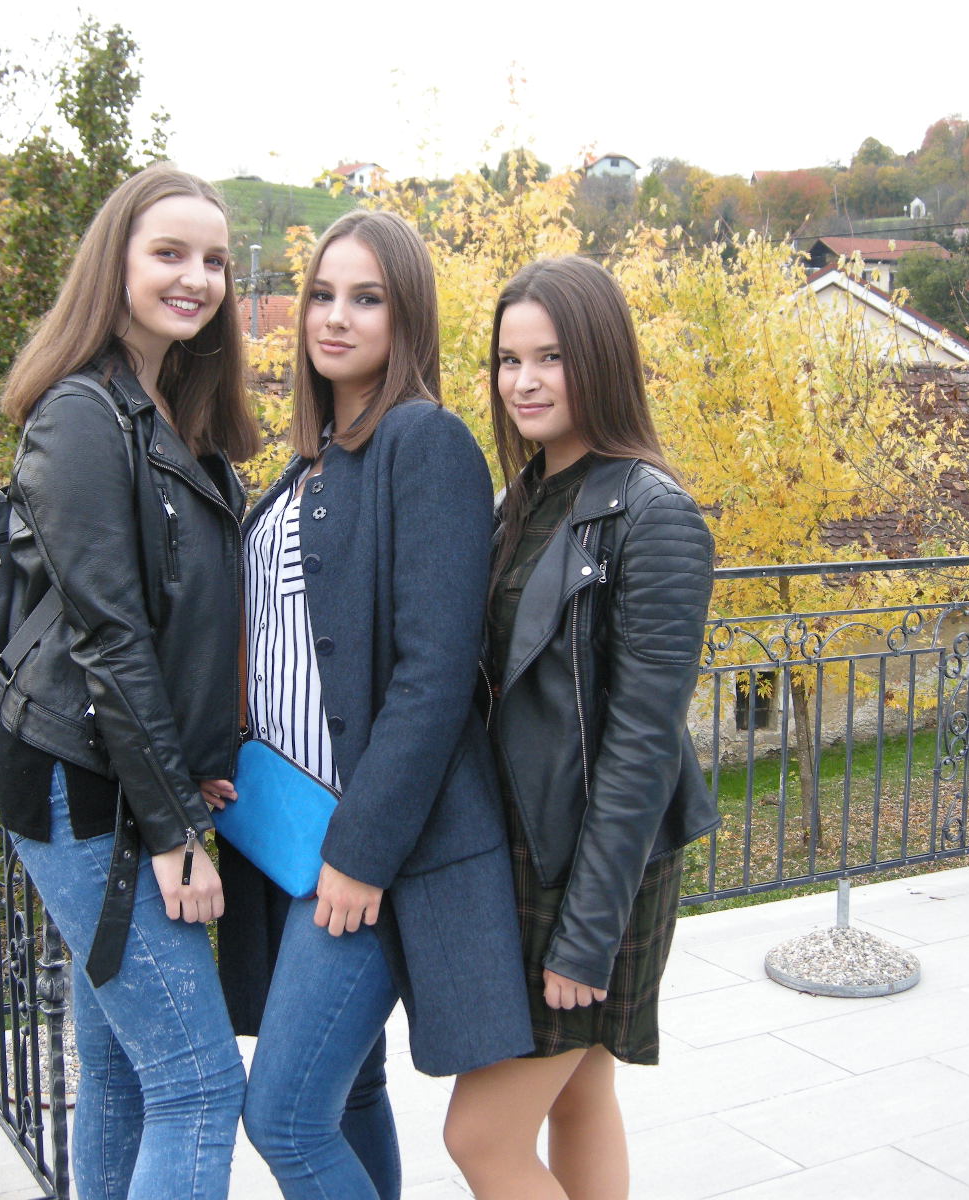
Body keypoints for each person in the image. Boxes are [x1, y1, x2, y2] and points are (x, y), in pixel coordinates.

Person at [216, 209, 533, 1199]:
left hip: (369, 848)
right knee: (347, 1090)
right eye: (321, 295)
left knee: (281, 1114)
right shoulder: (307, 465)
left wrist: (361, 852)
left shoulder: (423, 442)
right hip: (288, 836)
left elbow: (435, 673)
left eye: (366, 298)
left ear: (407, 319)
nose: (335, 317)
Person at [0, 164, 260, 1200]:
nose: (197, 278)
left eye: (215, 261)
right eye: (170, 253)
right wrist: (176, 830)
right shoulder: (79, 415)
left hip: (131, 776)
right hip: (81, 785)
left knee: (119, 1073)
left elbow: (184, 623)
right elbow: (110, 637)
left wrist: (195, 761)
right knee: (199, 1085)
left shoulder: (172, 417)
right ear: (117, 262)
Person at [443, 256, 718, 1200]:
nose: (523, 381)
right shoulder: (522, 499)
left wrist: (586, 934)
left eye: (550, 357)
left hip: (597, 866)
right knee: (581, 1090)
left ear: (599, 359)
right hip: (532, 847)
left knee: (479, 1138)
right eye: (509, 359)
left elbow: (643, 745)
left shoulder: (654, 514)